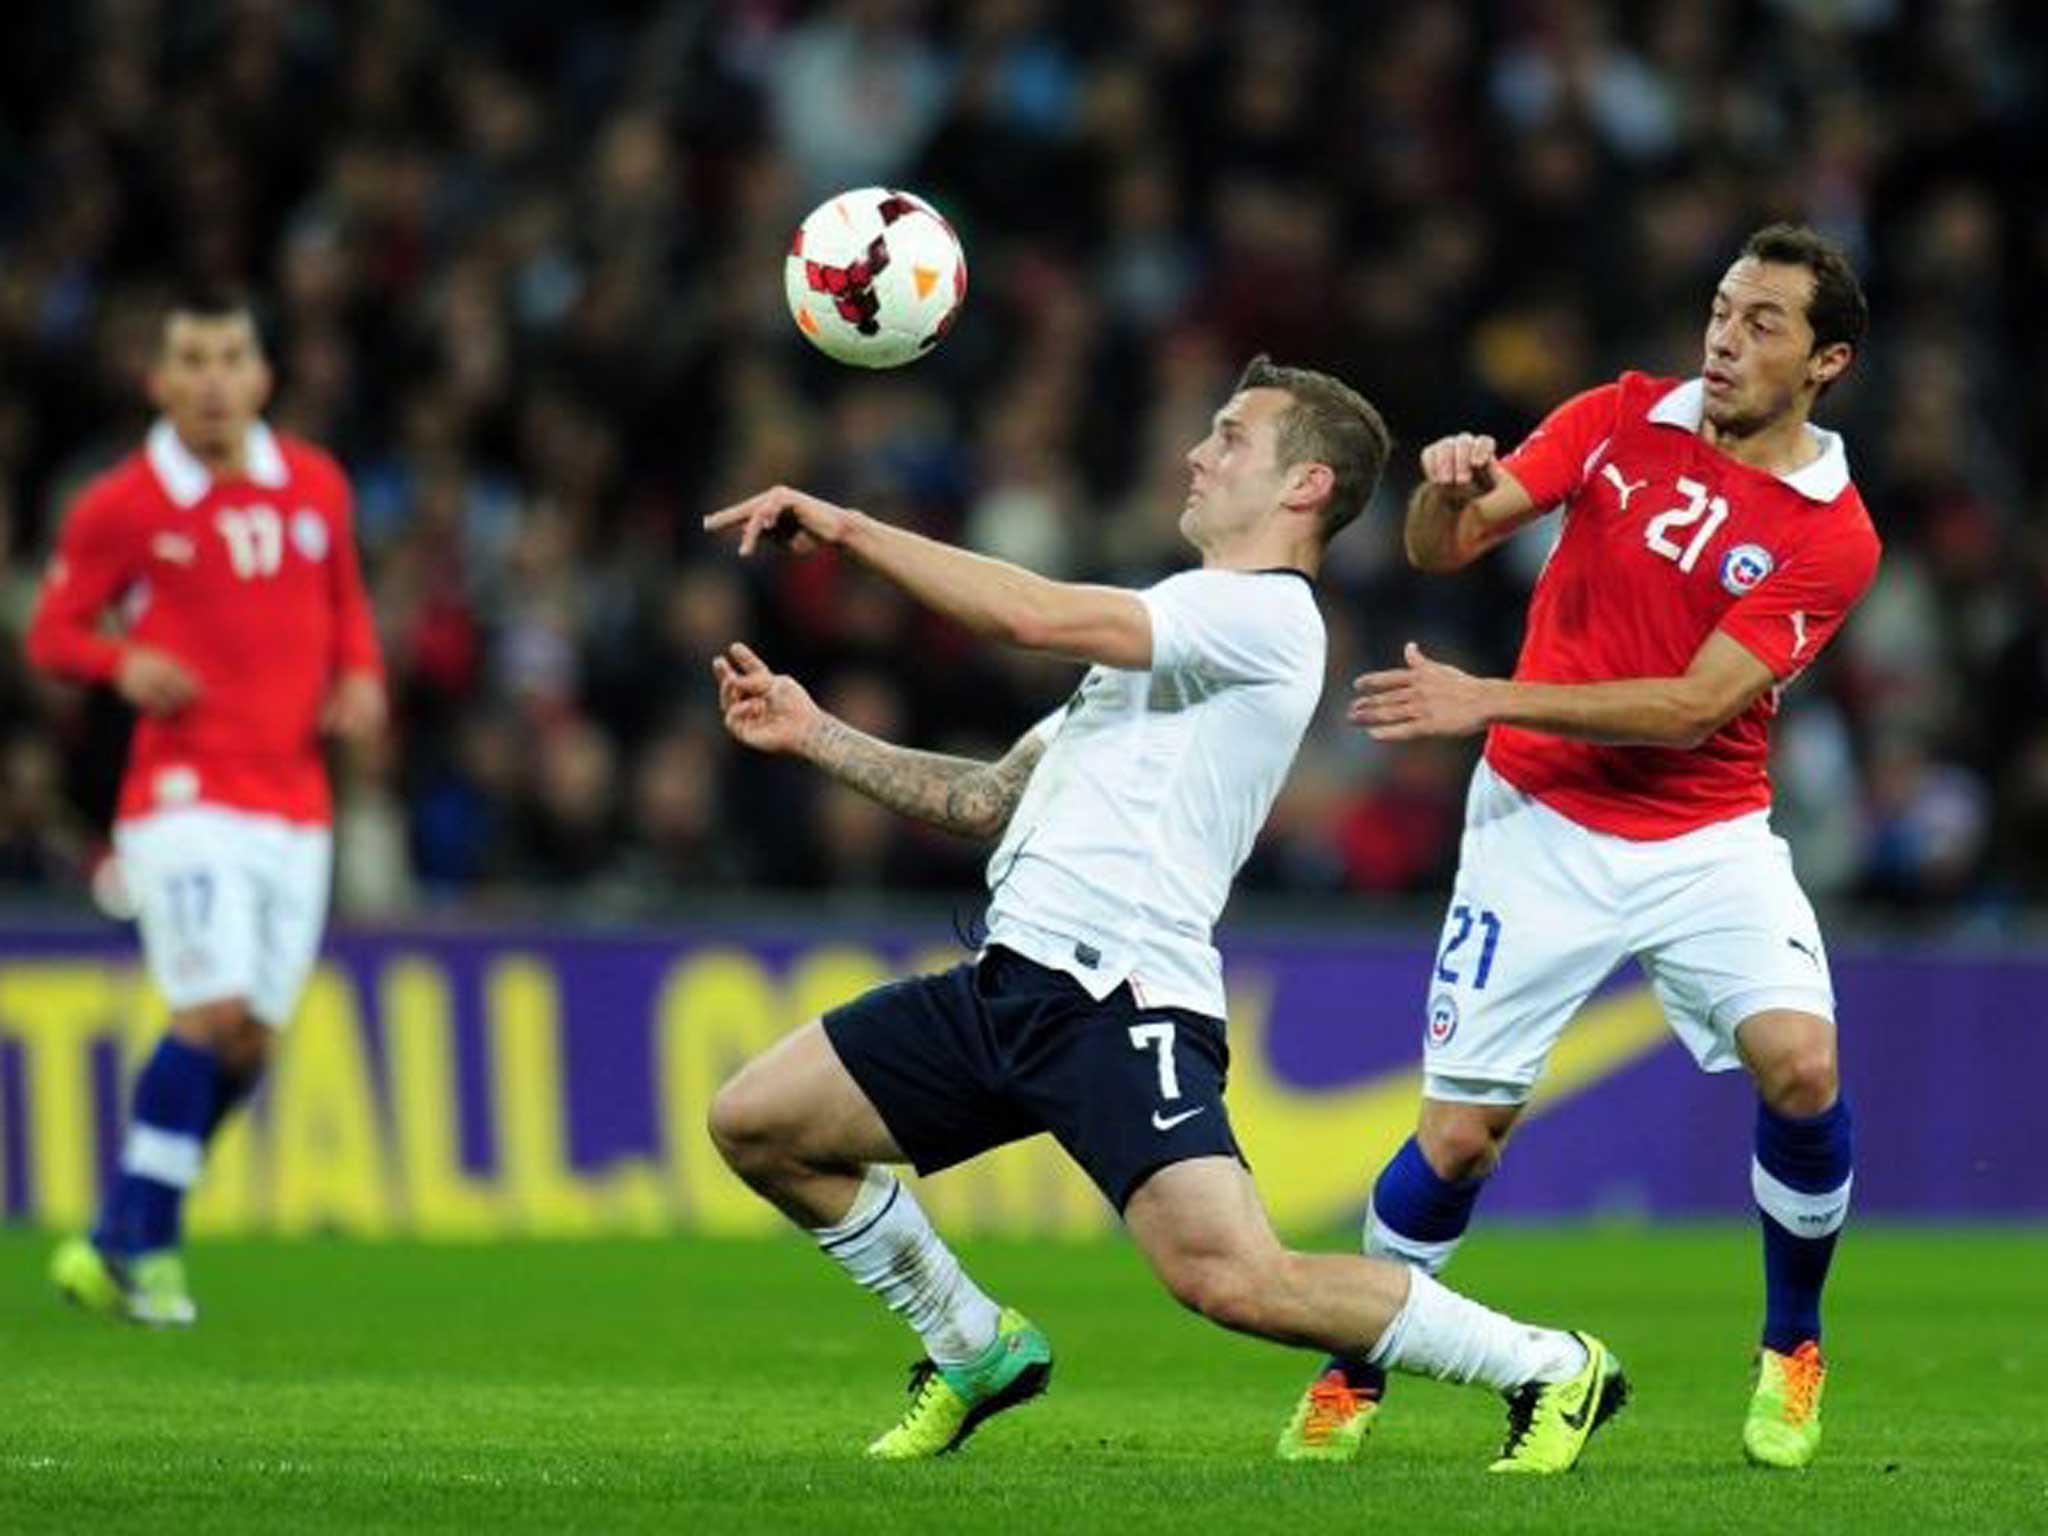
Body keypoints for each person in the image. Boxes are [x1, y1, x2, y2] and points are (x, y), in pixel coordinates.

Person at [702, 356, 1627, 1472]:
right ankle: (969, 1344)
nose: (1197, 452)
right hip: (1009, 985)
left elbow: (1026, 615)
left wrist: (850, 527)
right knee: (759, 1123)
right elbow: (986, 800)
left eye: (1232, 436)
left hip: (1115, 1005)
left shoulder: (1262, 618)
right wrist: (814, 736)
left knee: (1233, 1281)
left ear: (1304, 487)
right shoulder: (1166, 641)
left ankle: (1547, 1365)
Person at [1276, 225, 1875, 1471]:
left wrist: (1484, 699)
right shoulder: (1613, 417)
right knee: (1456, 1141)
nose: (1723, 336)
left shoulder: (1832, 531)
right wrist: (1444, 488)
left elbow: (1689, 707)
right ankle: (1355, 1366)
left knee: (1803, 1069)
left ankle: (1790, 1345)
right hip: (1537, 830)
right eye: (1720, 307)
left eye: (1763, 322)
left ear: (1826, 363)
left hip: (1704, 836)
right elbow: (1441, 545)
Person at [28, 289, 385, 1325]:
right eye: (193, 359)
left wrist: (361, 678)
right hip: (181, 798)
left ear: (263, 377)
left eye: (232, 356)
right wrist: (119, 659)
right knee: (213, 1011)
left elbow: (344, 608)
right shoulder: (123, 504)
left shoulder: (315, 485)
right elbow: (53, 632)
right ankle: (152, 1249)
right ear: (159, 380)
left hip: (294, 806)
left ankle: (112, 1238)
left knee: (251, 1043)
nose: (215, 379)